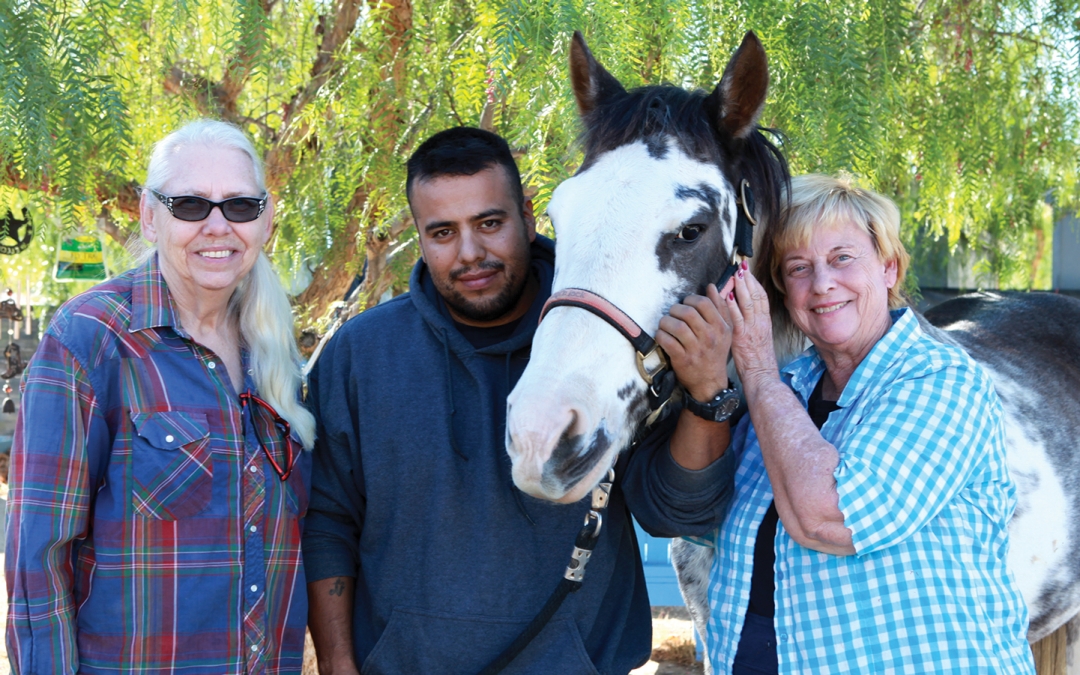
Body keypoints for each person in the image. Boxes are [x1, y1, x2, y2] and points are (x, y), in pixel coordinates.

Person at [302, 126, 736, 675]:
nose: (470, 253)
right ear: (419, 236)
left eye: (489, 223)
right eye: (442, 232)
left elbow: (671, 509)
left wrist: (705, 396)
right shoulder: (360, 355)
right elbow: (328, 522)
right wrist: (339, 665)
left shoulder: (622, 336)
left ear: (528, 217)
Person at [665, 174, 1035, 674]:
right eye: (799, 267)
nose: (822, 284)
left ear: (889, 268)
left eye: (843, 258)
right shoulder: (785, 391)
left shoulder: (941, 379)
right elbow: (687, 516)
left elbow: (831, 519)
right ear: (781, 292)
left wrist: (754, 364)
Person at [5, 119, 316, 674]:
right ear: (150, 216)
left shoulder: (275, 352)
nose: (217, 227)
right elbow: (38, 560)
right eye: (190, 205)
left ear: (266, 220)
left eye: (240, 206)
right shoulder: (91, 339)